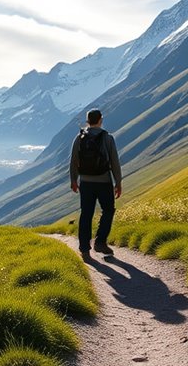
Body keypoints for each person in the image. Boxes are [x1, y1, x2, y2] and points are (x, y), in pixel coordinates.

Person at [69, 108, 122, 260]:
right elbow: (114, 162)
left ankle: (84, 249)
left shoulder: (80, 138)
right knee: (108, 210)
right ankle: (100, 241)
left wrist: (74, 180)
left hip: (85, 182)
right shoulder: (107, 138)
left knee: (86, 214)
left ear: (88, 121)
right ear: (100, 119)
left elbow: (74, 161)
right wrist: (118, 182)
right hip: (104, 181)